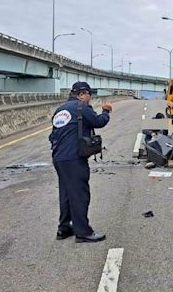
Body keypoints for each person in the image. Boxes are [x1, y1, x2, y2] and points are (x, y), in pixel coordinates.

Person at [49, 81, 112, 243]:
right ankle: (83, 232)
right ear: (83, 94)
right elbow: (99, 122)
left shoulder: (60, 110)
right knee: (80, 195)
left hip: (59, 158)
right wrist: (106, 111)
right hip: (74, 158)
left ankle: (64, 228)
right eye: (89, 95)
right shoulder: (81, 107)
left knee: (66, 193)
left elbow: (53, 134)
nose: (89, 99)